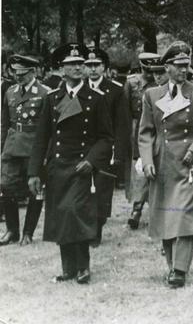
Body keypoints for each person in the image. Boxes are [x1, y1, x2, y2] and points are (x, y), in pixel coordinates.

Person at [27, 44, 114, 284]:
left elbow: (106, 138)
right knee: (60, 213)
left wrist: (91, 161)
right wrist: (34, 172)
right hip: (57, 167)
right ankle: (68, 268)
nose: (77, 67)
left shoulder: (96, 99)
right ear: (61, 69)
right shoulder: (51, 98)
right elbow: (41, 138)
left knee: (75, 212)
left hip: (81, 167)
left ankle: (83, 266)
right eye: (71, 64)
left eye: (80, 63)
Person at [138, 41, 193, 288]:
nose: (184, 70)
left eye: (186, 65)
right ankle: (171, 265)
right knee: (166, 215)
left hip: (188, 165)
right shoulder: (152, 95)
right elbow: (146, 132)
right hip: (162, 163)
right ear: (167, 67)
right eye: (179, 66)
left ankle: (180, 269)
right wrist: (147, 160)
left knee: (184, 215)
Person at [83, 46, 131, 246]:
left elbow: (122, 125)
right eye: (89, 65)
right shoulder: (79, 88)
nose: (92, 69)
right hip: (83, 147)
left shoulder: (115, 90)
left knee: (102, 190)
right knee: (83, 189)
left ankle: (96, 229)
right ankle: (85, 228)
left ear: (104, 67)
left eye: (97, 65)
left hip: (106, 148)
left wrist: (118, 153)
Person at [1, 55, 50, 246]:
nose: (18, 77)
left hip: (33, 147)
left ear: (33, 72)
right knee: (6, 186)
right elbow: (4, 123)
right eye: (15, 73)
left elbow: (49, 129)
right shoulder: (10, 92)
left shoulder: (45, 93)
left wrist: (46, 154)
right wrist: (2, 146)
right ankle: (12, 230)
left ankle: (28, 232)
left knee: (34, 189)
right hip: (12, 146)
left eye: (22, 73)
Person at [125, 53, 164, 229]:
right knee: (140, 170)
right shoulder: (132, 83)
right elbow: (125, 110)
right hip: (138, 129)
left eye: (154, 71)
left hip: (160, 129)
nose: (151, 75)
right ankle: (137, 209)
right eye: (147, 70)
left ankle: (157, 210)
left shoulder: (162, 83)